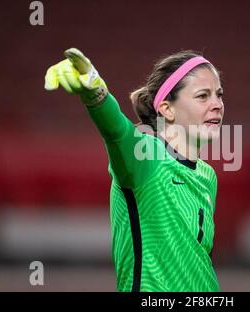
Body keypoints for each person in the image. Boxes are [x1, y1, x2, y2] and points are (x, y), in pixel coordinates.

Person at [44, 48, 225, 292]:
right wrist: (96, 94)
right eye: (203, 96)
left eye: (219, 95)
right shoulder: (145, 157)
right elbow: (117, 132)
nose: (217, 105)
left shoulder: (207, 175)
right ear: (166, 109)